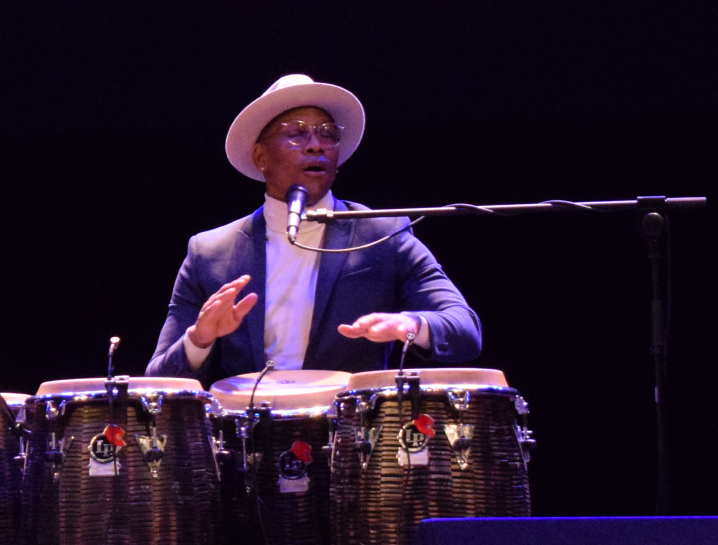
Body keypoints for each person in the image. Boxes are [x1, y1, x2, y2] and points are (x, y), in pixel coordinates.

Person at [147, 74, 481, 383]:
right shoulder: (209, 252)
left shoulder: (382, 233)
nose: (316, 144)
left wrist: (411, 324)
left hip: (352, 436)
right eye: (296, 132)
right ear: (261, 156)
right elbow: (159, 376)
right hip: (250, 436)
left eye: (327, 133)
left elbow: (465, 330)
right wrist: (199, 338)